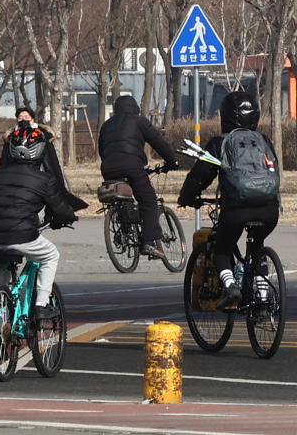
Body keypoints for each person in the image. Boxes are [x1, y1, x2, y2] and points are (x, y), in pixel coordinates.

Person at [178, 92, 280, 309]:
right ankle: (262, 295)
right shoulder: (264, 141)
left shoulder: (220, 143)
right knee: (258, 245)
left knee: (222, 249)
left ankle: (230, 285)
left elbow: (200, 176)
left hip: (237, 210)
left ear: (226, 116)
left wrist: (186, 197)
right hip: (270, 209)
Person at [0, 124, 77, 320]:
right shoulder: (44, 179)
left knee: (0, 285)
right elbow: (62, 210)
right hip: (24, 236)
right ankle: (41, 304)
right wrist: (67, 217)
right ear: (39, 151)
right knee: (50, 255)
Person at [98, 95, 179, 259]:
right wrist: (173, 161)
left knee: (124, 198)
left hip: (107, 167)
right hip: (132, 165)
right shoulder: (139, 121)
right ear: (135, 108)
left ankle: (126, 228)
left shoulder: (106, 125)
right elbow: (158, 142)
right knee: (148, 200)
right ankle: (148, 242)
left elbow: (102, 148)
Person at [0, 107, 88, 214]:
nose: (23, 119)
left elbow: (50, 156)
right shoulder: (12, 135)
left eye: (26, 117)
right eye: (20, 117)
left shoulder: (41, 133)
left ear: (32, 119)